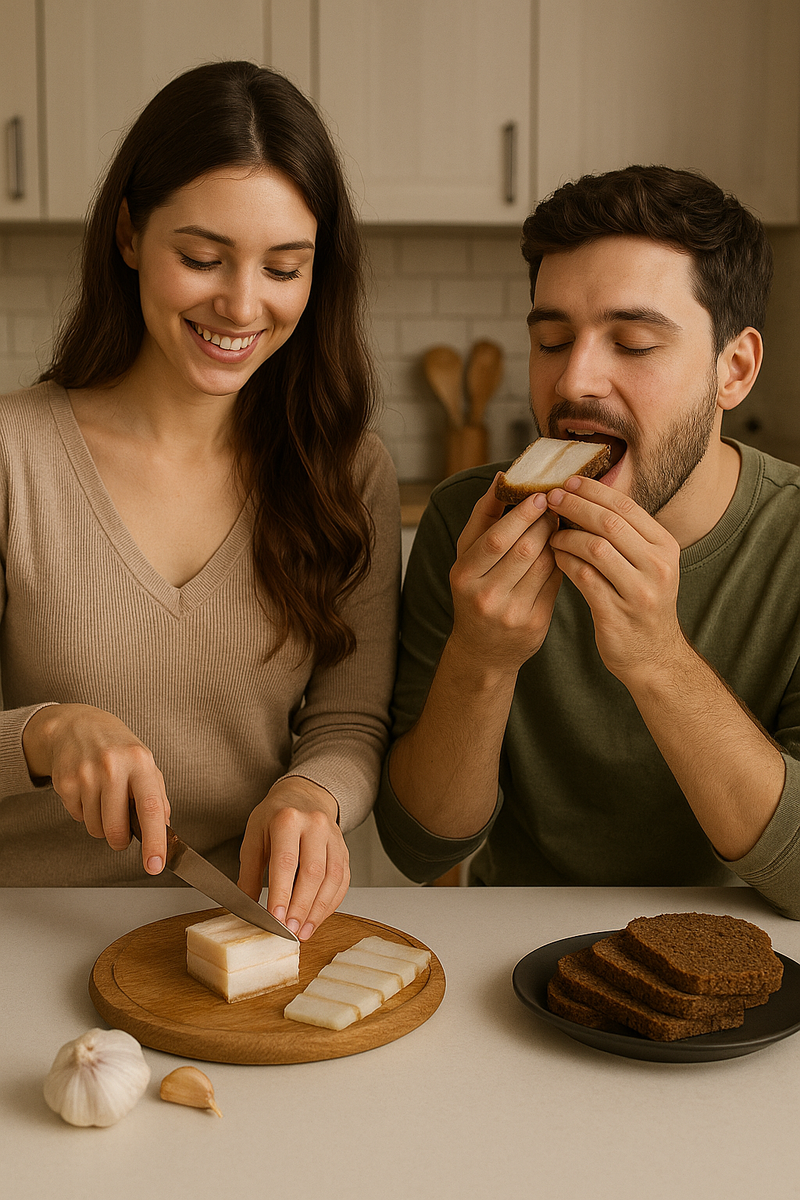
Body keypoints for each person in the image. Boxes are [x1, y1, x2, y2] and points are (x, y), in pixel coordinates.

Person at [0, 61, 401, 941]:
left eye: (284, 268)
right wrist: (44, 733)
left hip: (230, 932)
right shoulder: (12, 457)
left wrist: (312, 792)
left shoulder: (347, 471)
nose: (242, 304)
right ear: (130, 236)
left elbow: (350, 715)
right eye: (202, 257)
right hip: (23, 928)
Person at [375, 164, 800, 920]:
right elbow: (420, 849)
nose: (576, 381)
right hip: (513, 957)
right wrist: (481, 654)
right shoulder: (466, 524)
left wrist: (659, 661)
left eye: (633, 344)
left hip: (751, 969)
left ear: (733, 370)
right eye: (552, 340)